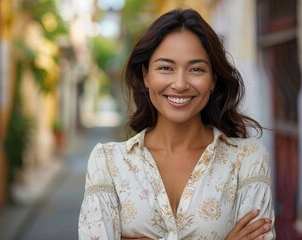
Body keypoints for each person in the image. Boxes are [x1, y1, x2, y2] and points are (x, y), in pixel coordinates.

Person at [78, 8, 275, 239]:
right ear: (145, 75)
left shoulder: (247, 161)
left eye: (196, 69)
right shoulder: (108, 163)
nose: (180, 84)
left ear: (213, 80)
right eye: (165, 68)